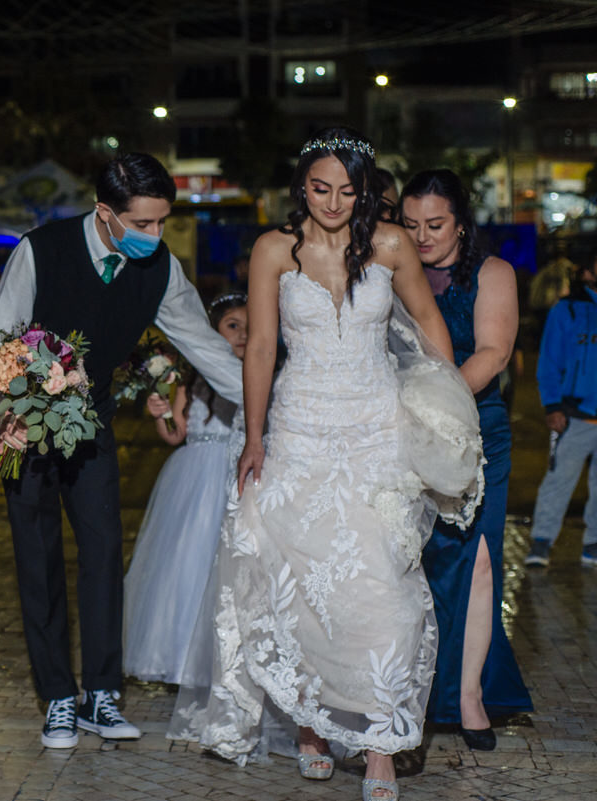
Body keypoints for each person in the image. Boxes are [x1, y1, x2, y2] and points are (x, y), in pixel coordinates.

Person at [170, 128, 461, 801]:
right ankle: (310, 726)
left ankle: (382, 744)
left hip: (375, 432)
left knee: (383, 585)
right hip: (300, 429)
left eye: (347, 190)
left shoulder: (390, 245)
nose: (333, 201)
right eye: (320, 187)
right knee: (299, 582)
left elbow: (429, 326)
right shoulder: (274, 249)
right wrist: (254, 435)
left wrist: (446, 411)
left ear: (364, 191)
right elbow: (263, 344)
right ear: (302, 185)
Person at [0, 152, 243, 749]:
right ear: (104, 213)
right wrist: (8, 408)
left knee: (101, 551)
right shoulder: (40, 251)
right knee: (38, 558)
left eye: (161, 223)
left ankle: (100, 693)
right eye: (142, 224)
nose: (155, 236)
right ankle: (58, 698)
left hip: (91, 423)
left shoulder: (160, 269)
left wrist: (266, 406)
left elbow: (207, 348)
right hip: (25, 419)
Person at [401, 168, 533, 750]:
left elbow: (493, 351)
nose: (422, 236)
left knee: (478, 561)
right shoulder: (392, 273)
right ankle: (413, 689)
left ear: (461, 221)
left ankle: (471, 694)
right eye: (410, 225)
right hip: (399, 434)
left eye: (436, 224)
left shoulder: (492, 273)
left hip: (477, 433)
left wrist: (437, 408)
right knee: (413, 562)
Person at [123, 291, 246, 685]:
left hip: (236, 474)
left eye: (249, 326)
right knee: (187, 564)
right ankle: (179, 656)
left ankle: (227, 657)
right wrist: (160, 413)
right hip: (195, 478)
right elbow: (176, 434)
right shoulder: (191, 381)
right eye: (232, 326)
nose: (242, 335)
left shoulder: (256, 374)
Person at [526, 250, 597, 568]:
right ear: (588, 273)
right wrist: (552, 405)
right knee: (559, 480)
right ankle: (541, 542)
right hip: (574, 414)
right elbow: (549, 361)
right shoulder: (566, 311)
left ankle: (592, 544)